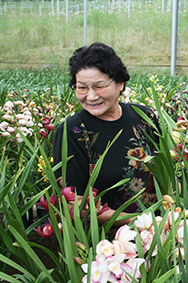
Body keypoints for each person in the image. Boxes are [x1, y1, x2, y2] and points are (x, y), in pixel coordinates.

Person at [53, 42, 160, 226]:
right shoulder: (73, 131)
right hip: (106, 244)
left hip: (158, 234)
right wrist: (141, 222)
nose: (91, 96)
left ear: (120, 83)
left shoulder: (144, 117)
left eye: (99, 86)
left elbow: (164, 171)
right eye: (82, 88)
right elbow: (74, 204)